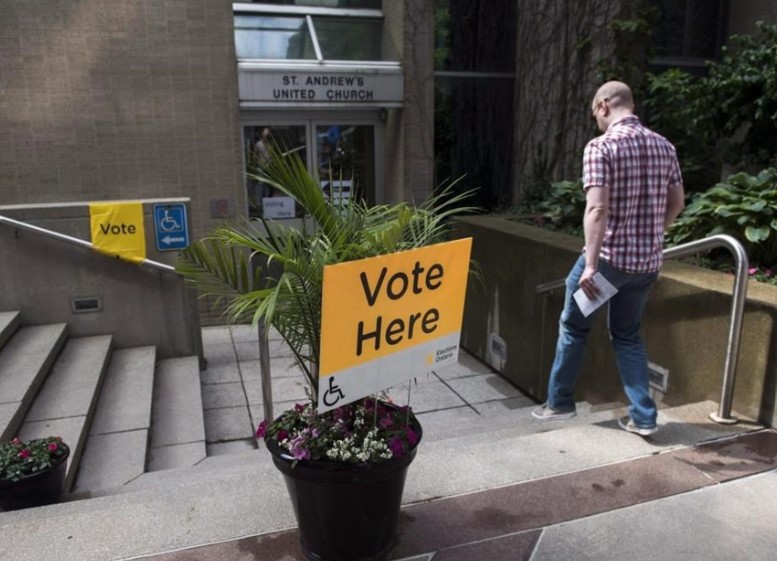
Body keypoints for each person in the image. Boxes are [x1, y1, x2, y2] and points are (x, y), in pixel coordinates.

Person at [531, 81, 686, 436]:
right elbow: (677, 202)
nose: (595, 122)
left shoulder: (602, 147)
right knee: (628, 335)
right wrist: (651, 233)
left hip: (608, 265)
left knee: (574, 327)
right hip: (646, 265)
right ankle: (644, 417)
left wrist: (590, 265)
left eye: (594, 114)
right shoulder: (664, 146)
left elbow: (597, 207)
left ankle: (559, 404)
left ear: (603, 105)